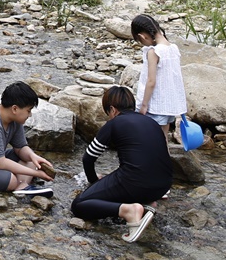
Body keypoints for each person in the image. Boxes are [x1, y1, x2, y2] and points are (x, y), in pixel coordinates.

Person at [71, 86, 172, 243]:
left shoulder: (114, 123)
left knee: (79, 204)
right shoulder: (151, 122)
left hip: (135, 182)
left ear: (112, 110)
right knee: (126, 177)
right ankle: (145, 203)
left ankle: (129, 211)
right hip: (162, 186)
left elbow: (88, 158)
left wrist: (94, 183)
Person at [131, 14, 187, 145]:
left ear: (142, 36)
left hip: (156, 105)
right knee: (163, 139)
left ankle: (153, 165)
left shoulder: (154, 52)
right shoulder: (173, 48)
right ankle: (165, 164)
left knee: (150, 141)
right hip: (169, 105)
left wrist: (143, 105)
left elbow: (151, 81)